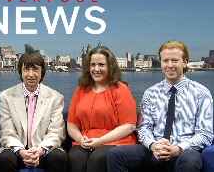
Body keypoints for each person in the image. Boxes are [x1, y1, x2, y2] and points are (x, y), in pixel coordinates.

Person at [107, 40, 214, 172]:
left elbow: (205, 134)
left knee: (191, 160)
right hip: (154, 149)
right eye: (165, 61)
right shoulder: (150, 93)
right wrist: (153, 145)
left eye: (175, 60)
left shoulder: (201, 93)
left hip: (184, 151)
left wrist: (178, 148)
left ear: (185, 62)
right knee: (115, 154)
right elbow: (143, 128)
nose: (170, 65)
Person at [67, 46, 138, 172]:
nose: (96, 69)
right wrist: (80, 138)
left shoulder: (120, 89)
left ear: (110, 67)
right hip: (86, 141)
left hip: (115, 141)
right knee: (75, 157)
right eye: (93, 65)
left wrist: (100, 141)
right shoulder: (81, 90)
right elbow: (72, 124)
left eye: (101, 65)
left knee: (97, 158)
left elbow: (129, 125)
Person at [0, 51, 67, 172]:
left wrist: (40, 151)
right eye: (26, 70)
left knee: (59, 157)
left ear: (42, 73)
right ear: (20, 72)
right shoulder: (6, 96)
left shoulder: (55, 97)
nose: (31, 75)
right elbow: (6, 131)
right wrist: (21, 151)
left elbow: (56, 132)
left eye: (36, 70)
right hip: (16, 150)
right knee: (5, 158)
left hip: (44, 150)